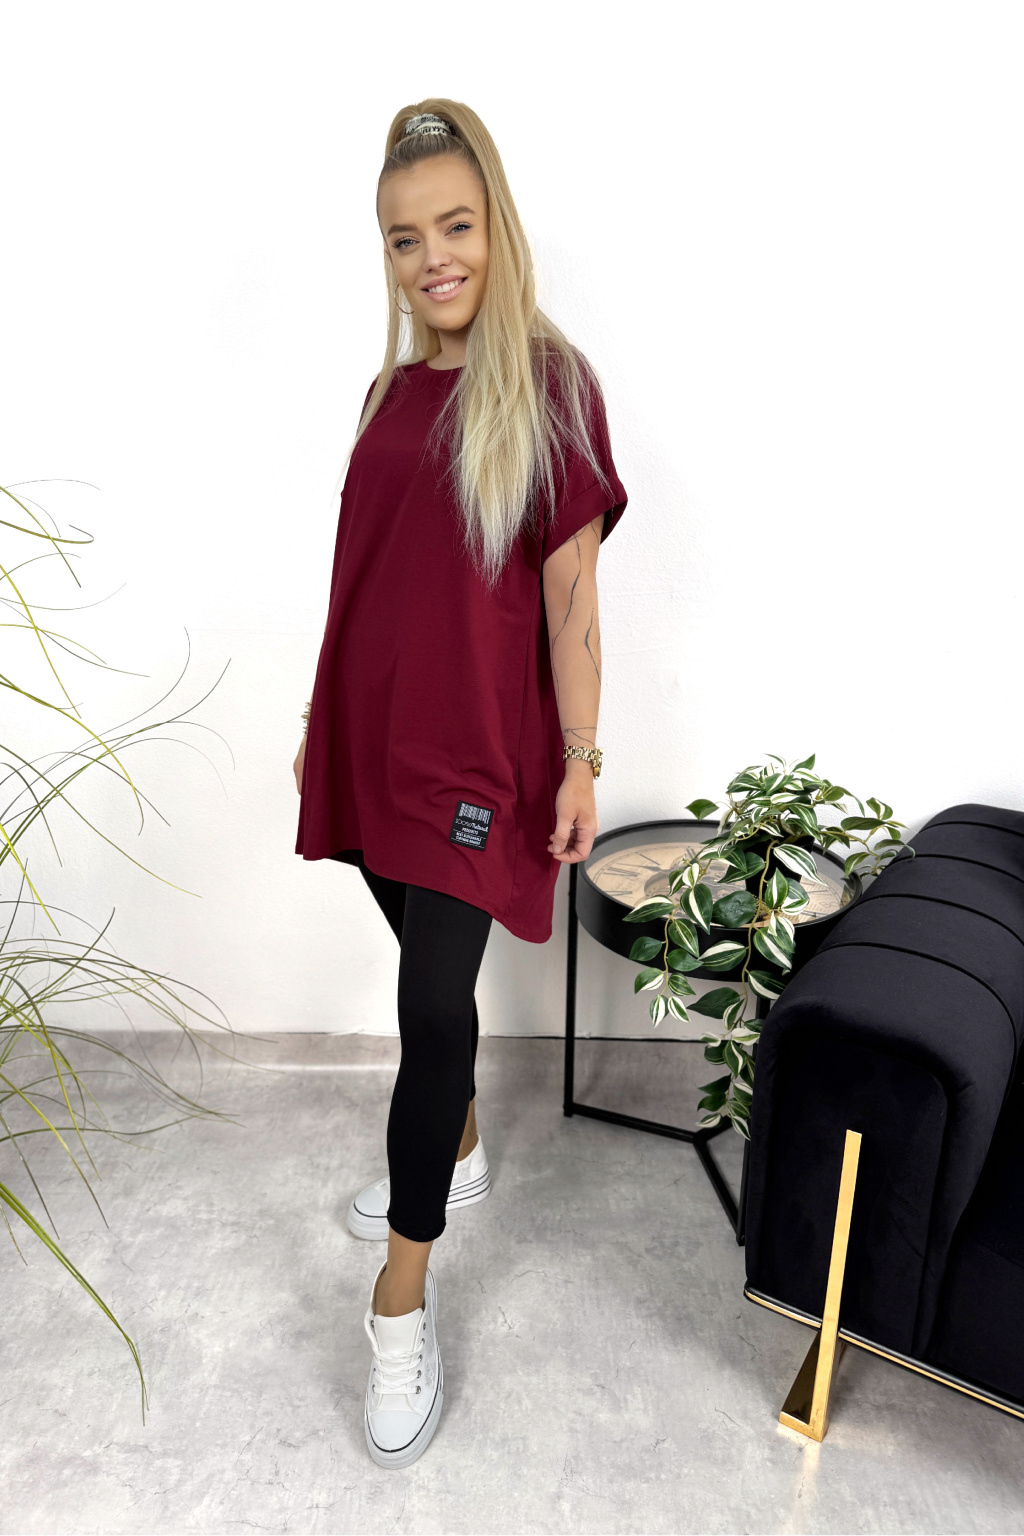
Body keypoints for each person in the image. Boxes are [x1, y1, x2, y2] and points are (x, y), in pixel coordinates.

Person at [293, 98, 628, 1470]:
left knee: (432, 1005)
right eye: (403, 238)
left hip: (478, 760)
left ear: (497, 227)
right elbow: (361, 579)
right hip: (371, 740)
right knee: (427, 978)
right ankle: (464, 1141)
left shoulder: (550, 385)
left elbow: (571, 601)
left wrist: (583, 756)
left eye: (455, 226)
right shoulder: (386, 394)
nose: (433, 259)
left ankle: (400, 1300)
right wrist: (318, 718)